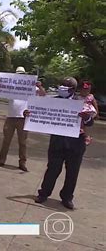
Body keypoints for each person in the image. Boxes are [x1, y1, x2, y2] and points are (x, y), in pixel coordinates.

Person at [32, 77, 94, 209]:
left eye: (67, 85)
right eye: (62, 85)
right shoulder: (53, 101)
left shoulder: (81, 102)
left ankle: (67, 198)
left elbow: (90, 122)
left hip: (76, 142)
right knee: (52, 169)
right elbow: (39, 114)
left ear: (73, 89)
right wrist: (29, 115)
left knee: (72, 172)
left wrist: (86, 117)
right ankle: (43, 194)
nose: (63, 87)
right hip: (58, 141)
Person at [0, 66, 46, 172]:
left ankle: (22, 162)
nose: (20, 76)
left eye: (22, 74)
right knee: (6, 140)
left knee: (22, 142)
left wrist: (40, 86)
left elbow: (43, 94)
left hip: (23, 118)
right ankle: (1, 160)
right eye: (18, 74)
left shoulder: (30, 86)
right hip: (11, 117)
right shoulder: (10, 86)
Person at [78, 81, 98, 145]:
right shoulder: (77, 97)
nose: (86, 92)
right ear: (80, 90)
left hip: (88, 112)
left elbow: (95, 104)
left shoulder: (90, 96)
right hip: (81, 112)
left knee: (87, 124)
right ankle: (83, 135)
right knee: (81, 124)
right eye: (84, 90)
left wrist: (97, 112)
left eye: (88, 91)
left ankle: (87, 136)